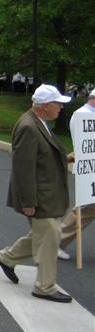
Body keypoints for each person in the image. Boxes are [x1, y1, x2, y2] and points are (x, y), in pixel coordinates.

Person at [0, 84, 74, 302]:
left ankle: (6, 258)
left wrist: (67, 158)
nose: (60, 108)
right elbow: (23, 168)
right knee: (49, 238)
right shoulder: (28, 127)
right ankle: (44, 286)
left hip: (47, 195)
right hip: (39, 196)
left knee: (46, 233)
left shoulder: (39, 123)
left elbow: (42, 157)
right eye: (57, 104)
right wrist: (28, 201)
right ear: (45, 106)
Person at [57, 87, 95, 260]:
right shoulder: (82, 115)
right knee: (85, 208)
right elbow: (84, 145)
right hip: (89, 169)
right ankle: (56, 243)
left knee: (86, 208)